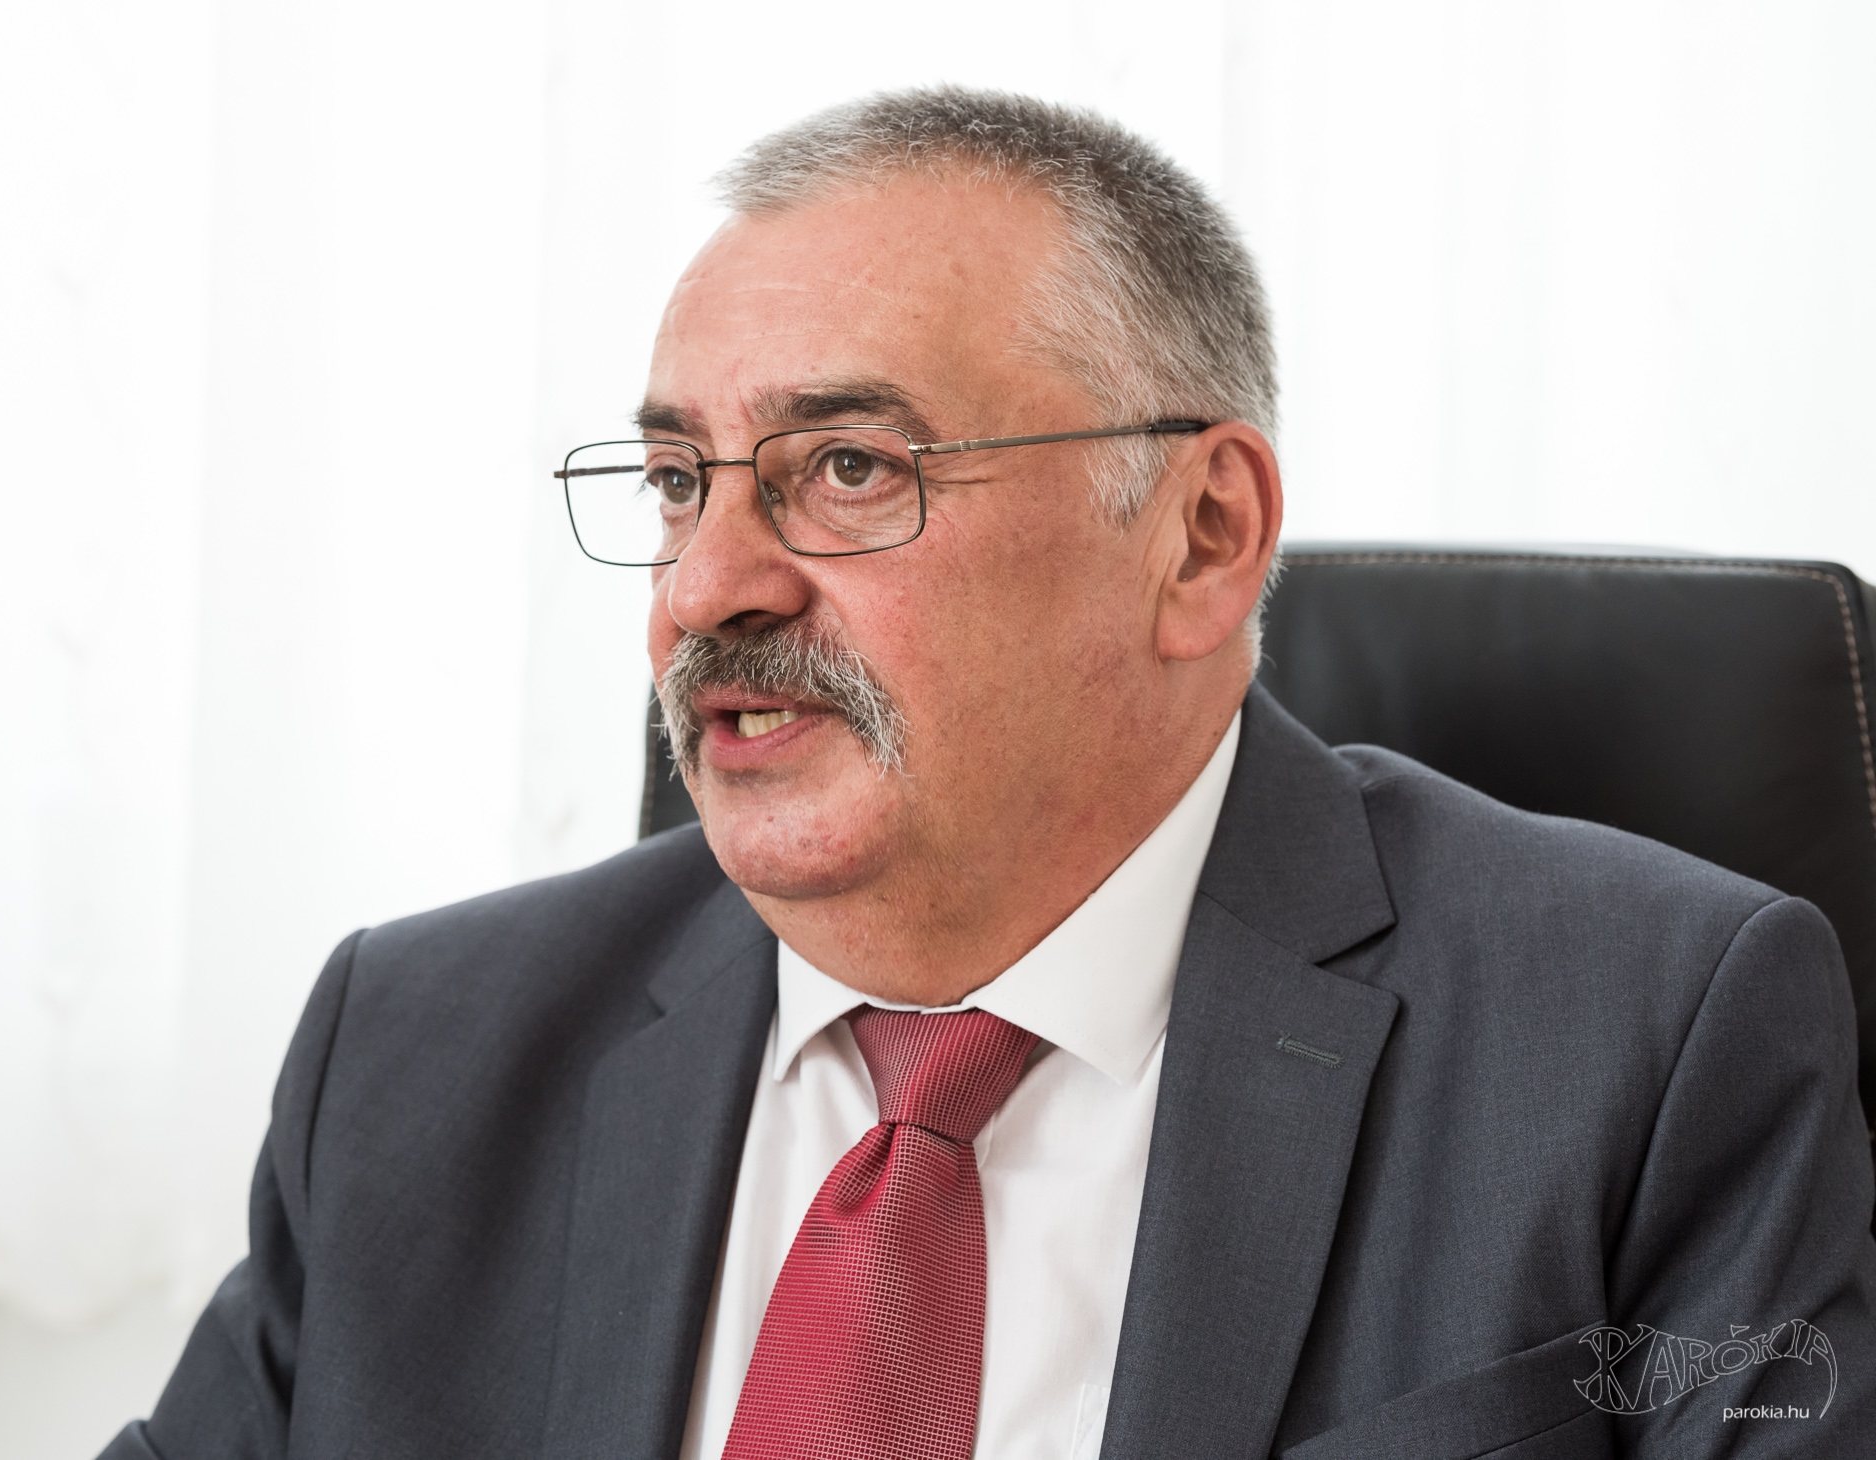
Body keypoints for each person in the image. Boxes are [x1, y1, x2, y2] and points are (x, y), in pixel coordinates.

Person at [102, 88, 1876, 1460]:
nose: (707, 588)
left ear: (1201, 535)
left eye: (848, 468)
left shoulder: (1647, 1041)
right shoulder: (419, 1053)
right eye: (677, 483)